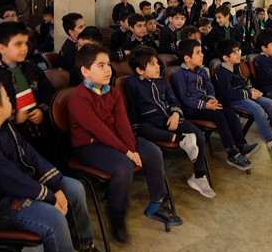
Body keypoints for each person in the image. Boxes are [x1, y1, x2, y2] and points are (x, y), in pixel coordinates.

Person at [0, 77, 98, 252]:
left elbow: (29, 154)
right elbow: (12, 180)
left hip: (17, 188)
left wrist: (55, 185)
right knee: (53, 218)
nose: (10, 98)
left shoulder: (2, 124)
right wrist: (50, 196)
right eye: (6, 97)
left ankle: (84, 245)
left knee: (74, 188)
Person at [68, 44, 182, 243]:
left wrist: (131, 147)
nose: (108, 69)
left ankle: (156, 204)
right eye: (101, 66)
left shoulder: (112, 93)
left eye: (108, 64)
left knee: (153, 152)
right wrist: (127, 152)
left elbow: (122, 123)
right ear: (85, 71)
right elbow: (99, 130)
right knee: (123, 166)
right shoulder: (79, 98)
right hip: (89, 146)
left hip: (115, 139)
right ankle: (116, 214)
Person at [125, 46, 215, 198]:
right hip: (150, 121)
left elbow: (173, 100)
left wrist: (175, 114)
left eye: (157, 63)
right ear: (140, 70)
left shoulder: (162, 80)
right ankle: (181, 139)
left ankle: (199, 176)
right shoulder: (131, 83)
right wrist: (134, 127)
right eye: (152, 64)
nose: (158, 66)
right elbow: (132, 108)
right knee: (143, 129)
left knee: (198, 135)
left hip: (169, 118)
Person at [0, 22, 64, 171]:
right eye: (18, 44)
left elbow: (50, 92)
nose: (25, 48)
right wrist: (14, 116)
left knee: (55, 163)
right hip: (16, 137)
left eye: (26, 43)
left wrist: (42, 110)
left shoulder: (31, 68)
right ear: (1, 48)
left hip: (44, 130)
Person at [172, 39, 255, 170]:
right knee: (219, 117)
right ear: (187, 58)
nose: (202, 55)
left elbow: (210, 88)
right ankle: (232, 153)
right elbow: (185, 98)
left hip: (208, 104)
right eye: (198, 53)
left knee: (230, 113)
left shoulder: (201, 71)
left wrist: (211, 99)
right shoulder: (179, 75)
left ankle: (242, 144)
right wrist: (205, 105)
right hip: (193, 109)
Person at [214, 39, 272, 152]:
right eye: (235, 52)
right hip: (232, 100)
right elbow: (229, 93)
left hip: (243, 94)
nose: (239, 54)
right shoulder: (222, 73)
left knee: (271, 103)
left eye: (239, 50)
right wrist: (250, 94)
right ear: (226, 57)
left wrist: (251, 90)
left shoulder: (235, 66)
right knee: (257, 109)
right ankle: (270, 139)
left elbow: (241, 84)